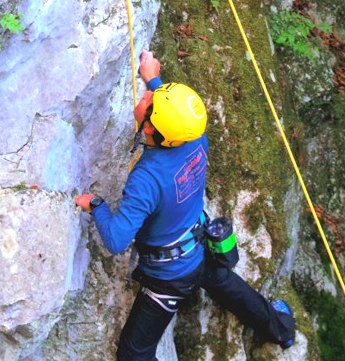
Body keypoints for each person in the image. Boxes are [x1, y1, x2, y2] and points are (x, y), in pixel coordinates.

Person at [74, 50, 295, 360]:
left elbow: (116, 240)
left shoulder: (147, 178)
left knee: (133, 353)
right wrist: (153, 79)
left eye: (149, 102)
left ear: (149, 128)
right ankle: (281, 327)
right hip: (200, 247)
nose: (146, 98)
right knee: (222, 281)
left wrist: (96, 204)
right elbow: (174, 120)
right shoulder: (195, 137)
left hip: (169, 277)